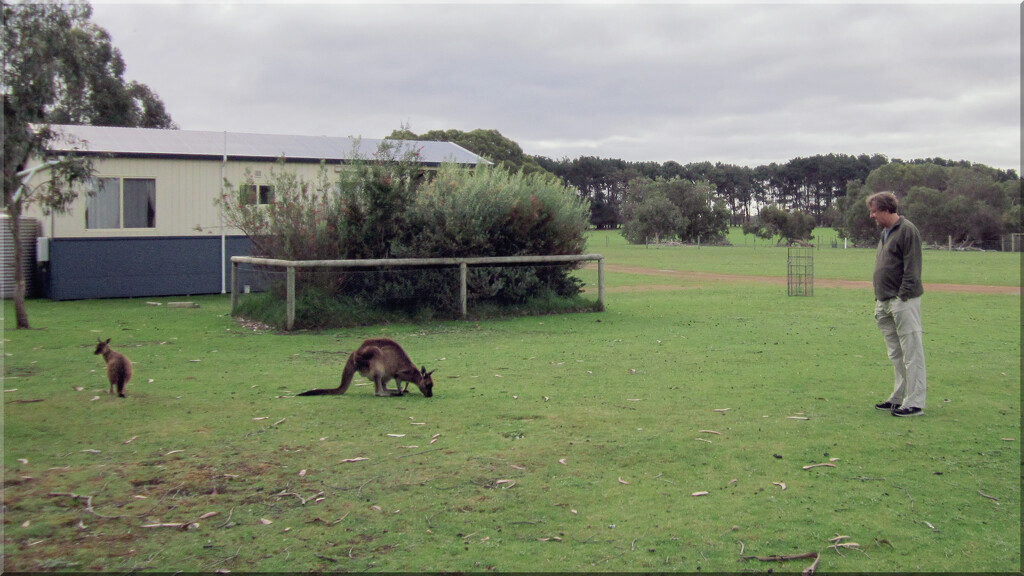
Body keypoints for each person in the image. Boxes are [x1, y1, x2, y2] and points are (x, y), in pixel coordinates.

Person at [867, 191, 927, 417]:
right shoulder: (885, 233)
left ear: (885, 209)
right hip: (884, 301)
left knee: (912, 353)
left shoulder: (907, 230)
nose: (871, 216)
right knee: (896, 354)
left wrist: (902, 297)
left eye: (874, 211)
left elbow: (913, 269)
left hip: (903, 301)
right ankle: (899, 397)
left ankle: (915, 403)